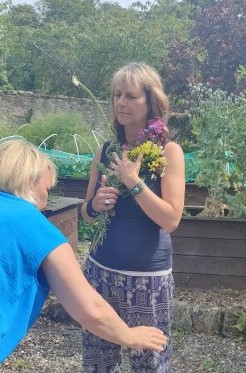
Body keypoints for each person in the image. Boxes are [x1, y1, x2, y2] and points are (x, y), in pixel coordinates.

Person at [0, 139, 168, 363]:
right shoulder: (32, 224)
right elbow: (90, 310)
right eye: (47, 188)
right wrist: (130, 335)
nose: (46, 198)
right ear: (30, 180)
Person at [81, 62, 185, 372]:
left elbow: (170, 220)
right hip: (100, 273)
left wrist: (133, 181)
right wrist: (95, 205)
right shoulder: (105, 151)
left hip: (147, 282)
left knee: (149, 364)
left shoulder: (169, 152)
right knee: (99, 363)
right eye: (116, 95)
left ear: (150, 101)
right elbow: (85, 215)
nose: (120, 103)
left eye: (130, 96)